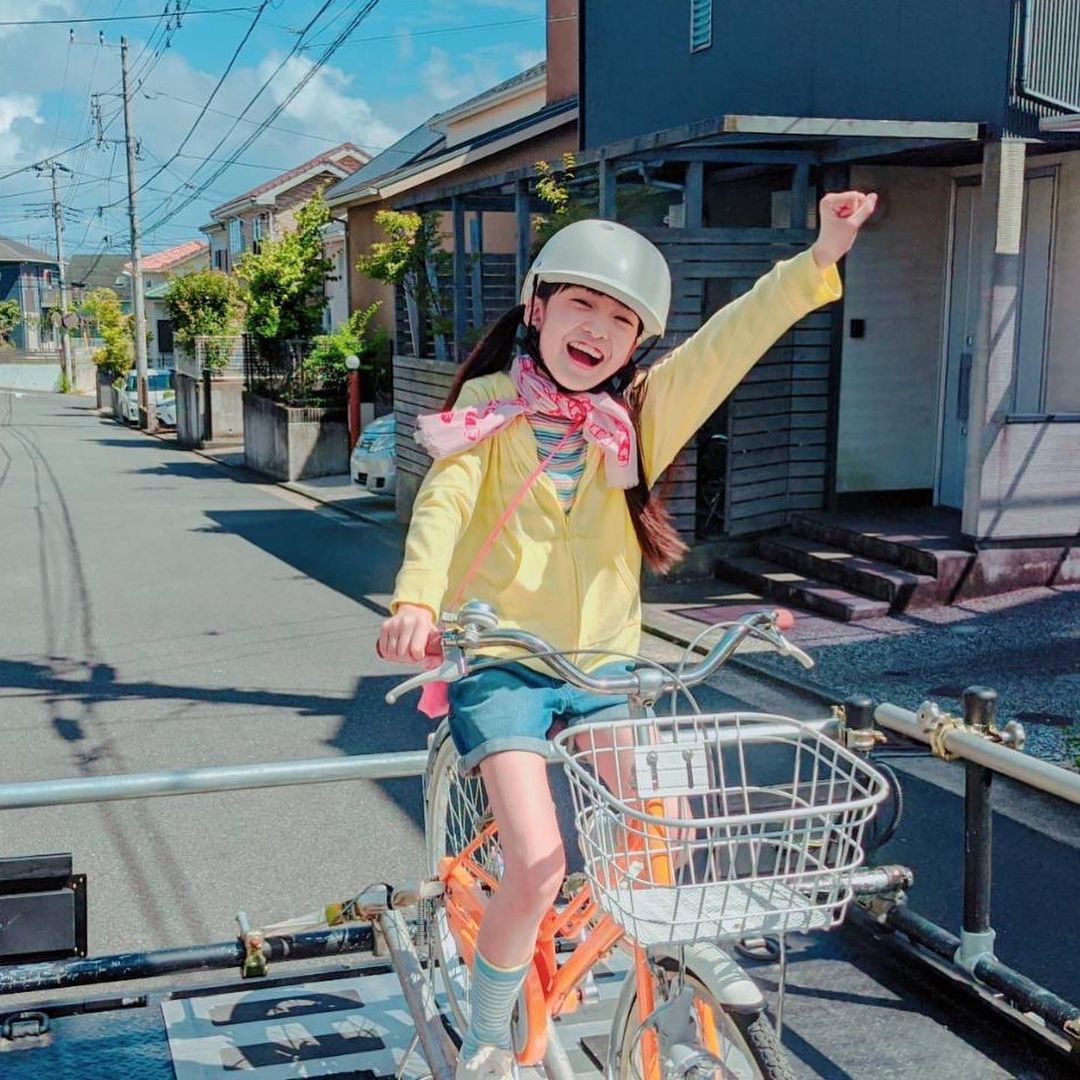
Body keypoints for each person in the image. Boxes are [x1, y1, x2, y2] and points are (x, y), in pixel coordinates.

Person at [379, 192, 877, 1079]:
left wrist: (820, 255)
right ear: (536, 309)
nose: (598, 329)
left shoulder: (634, 420)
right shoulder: (490, 410)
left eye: (622, 319)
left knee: (663, 837)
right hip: (503, 664)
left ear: (637, 342)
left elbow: (729, 342)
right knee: (537, 859)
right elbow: (444, 505)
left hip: (607, 664)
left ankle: (661, 1008)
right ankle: (491, 1038)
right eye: (581, 304)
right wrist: (416, 601)